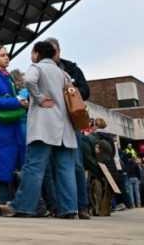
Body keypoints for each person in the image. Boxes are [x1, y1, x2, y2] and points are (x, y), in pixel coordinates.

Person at [1, 41, 79, 219]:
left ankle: (24, 206)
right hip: (65, 128)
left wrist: (40, 98)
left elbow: (28, 80)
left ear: (37, 53)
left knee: (34, 168)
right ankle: (69, 209)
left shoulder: (36, 68)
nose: (31, 56)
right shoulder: (63, 73)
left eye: (32, 52)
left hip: (44, 127)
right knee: (66, 169)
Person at [45, 37, 91, 216]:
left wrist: (70, 92)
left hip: (70, 122)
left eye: (53, 51)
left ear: (58, 51)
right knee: (51, 166)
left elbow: (86, 91)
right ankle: (58, 206)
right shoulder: (40, 70)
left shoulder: (71, 68)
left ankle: (83, 205)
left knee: (77, 164)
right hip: (49, 122)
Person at [0, 45, 27, 208]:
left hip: (10, 127)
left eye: (7, 55)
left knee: (11, 163)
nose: (7, 57)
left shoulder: (6, 76)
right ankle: (2, 202)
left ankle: (12, 203)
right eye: (2, 55)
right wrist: (16, 101)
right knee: (1, 163)